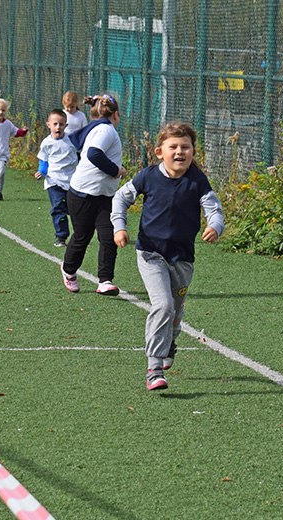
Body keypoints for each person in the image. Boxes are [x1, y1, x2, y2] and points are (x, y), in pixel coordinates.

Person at [111, 122, 224, 391]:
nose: (180, 152)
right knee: (162, 306)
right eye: (173, 147)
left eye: (185, 147)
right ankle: (154, 367)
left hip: (182, 258)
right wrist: (120, 227)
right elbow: (120, 198)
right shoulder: (147, 176)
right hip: (151, 253)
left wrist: (214, 226)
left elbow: (215, 209)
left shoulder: (197, 181)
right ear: (160, 151)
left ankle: (171, 339)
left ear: (193, 152)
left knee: (175, 308)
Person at [60, 94, 126, 295]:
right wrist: (116, 171)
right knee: (82, 236)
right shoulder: (106, 130)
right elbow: (93, 154)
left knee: (108, 237)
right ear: (116, 114)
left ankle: (105, 280)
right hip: (83, 194)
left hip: (104, 196)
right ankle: (68, 270)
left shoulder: (100, 128)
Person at [35, 109, 77, 247]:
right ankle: (61, 236)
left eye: (61, 124)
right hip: (54, 181)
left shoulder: (72, 140)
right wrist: (41, 172)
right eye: (55, 124)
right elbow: (44, 161)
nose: (58, 127)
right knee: (58, 207)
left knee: (75, 208)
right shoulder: (46, 143)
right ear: (49, 125)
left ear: (66, 125)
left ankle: (80, 234)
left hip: (72, 180)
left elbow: (82, 154)